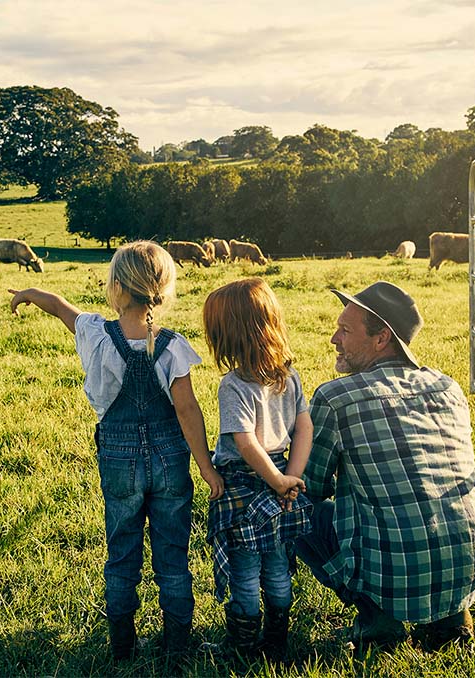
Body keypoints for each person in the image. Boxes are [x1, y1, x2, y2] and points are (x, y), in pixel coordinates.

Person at [7, 240, 224, 663]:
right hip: (170, 460)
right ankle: (178, 647)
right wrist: (207, 468)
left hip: (119, 459)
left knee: (122, 552)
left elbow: (60, 307)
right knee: (173, 556)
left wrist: (28, 295)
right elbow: (187, 409)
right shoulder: (173, 345)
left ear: (117, 288)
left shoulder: (95, 332)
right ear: (162, 288)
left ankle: (122, 646)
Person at [293, 281, 475, 651]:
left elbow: (310, 487)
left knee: (292, 507)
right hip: (471, 570)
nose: (334, 338)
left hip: (395, 578)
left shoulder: (336, 397)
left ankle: (376, 617)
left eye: (345, 330)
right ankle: (451, 617)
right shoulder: (448, 387)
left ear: (381, 338)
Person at [200, 278, 312, 662]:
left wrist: (279, 480)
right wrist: (289, 478)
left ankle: (243, 645)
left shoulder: (233, 385)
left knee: (246, 569)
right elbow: (304, 428)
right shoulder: (289, 375)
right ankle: (277, 641)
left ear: (228, 336)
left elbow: (245, 444)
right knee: (278, 564)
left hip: (246, 486)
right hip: (282, 477)